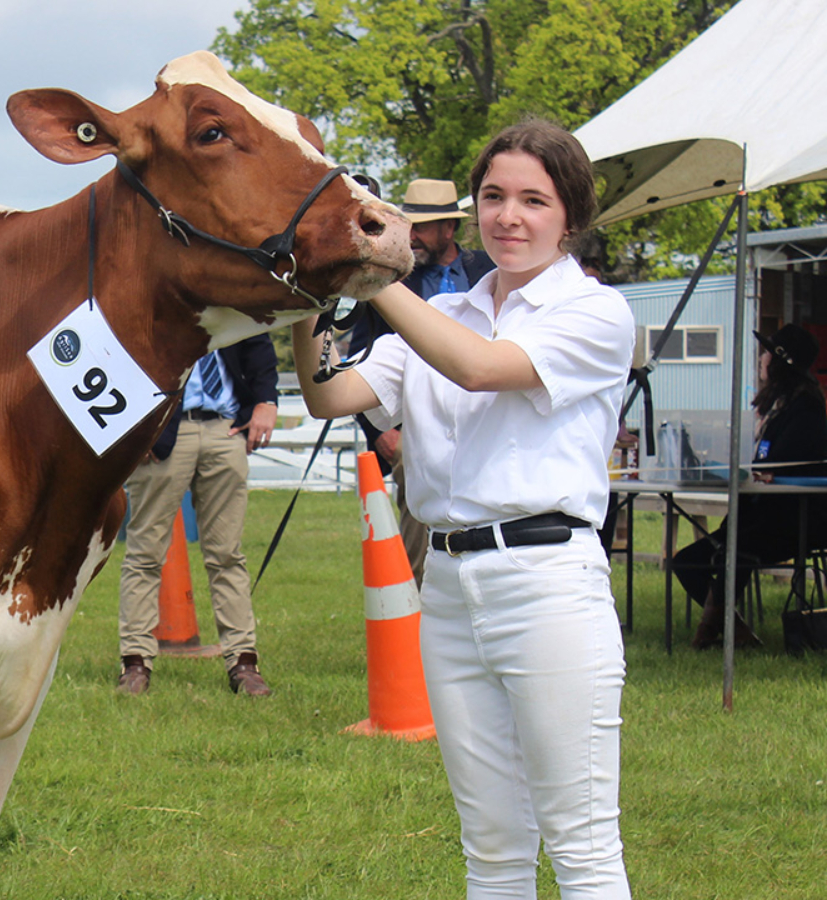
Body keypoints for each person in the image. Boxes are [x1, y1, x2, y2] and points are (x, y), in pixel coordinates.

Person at [291, 119, 635, 898]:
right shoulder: (446, 311)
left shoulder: (595, 313)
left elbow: (481, 370)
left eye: (533, 201)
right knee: (491, 848)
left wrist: (373, 275)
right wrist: (308, 299)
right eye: (494, 196)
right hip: (445, 588)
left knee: (580, 845)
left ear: (569, 218)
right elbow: (329, 396)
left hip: (546, 582)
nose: (508, 216)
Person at [347, 178, 496, 584]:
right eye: (408, 224)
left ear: (449, 228)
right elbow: (360, 358)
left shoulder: (490, 271)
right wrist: (382, 432)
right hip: (415, 433)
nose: (411, 236)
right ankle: (415, 640)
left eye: (423, 227)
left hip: (488, 427)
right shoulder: (392, 277)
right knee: (419, 555)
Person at [117, 334, 278, 697]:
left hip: (226, 427)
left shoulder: (232, 284)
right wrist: (132, 426)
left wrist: (266, 400)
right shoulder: (153, 283)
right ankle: (135, 663)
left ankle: (243, 663)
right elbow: (123, 346)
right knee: (145, 553)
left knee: (227, 555)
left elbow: (256, 339)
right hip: (162, 429)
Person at [671, 324, 827, 648]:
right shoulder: (778, 406)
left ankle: (709, 631)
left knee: (734, 553)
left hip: (793, 520)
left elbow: (783, 465)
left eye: (767, 351)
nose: (761, 358)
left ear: (783, 361)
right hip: (758, 514)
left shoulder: (806, 409)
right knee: (688, 560)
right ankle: (736, 630)